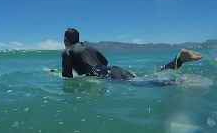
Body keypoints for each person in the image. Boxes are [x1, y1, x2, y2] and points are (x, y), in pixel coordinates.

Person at [52, 28, 203, 86]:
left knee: (144, 83)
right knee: (147, 77)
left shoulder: (67, 52)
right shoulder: (89, 47)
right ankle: (178, 60)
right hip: (112, 69)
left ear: (66, 40)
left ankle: (176, 82)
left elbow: (67, 78)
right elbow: (105, 61)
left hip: (105, 76)